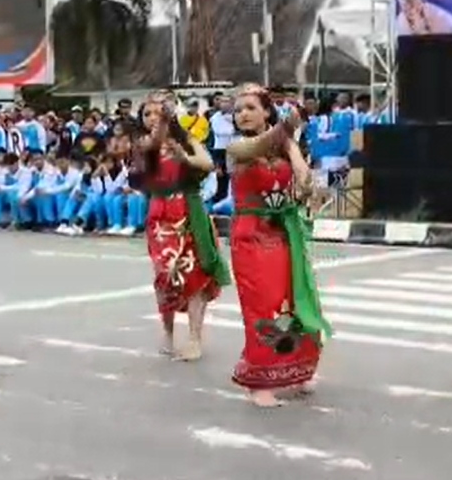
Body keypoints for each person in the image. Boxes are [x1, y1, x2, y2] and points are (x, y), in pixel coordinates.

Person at [224, 83, 331, 408]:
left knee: (295, 301)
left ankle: (298, 370)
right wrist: (285, 127)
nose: (242, 114)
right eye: (238, 110)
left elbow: (305, 185)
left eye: (250, 108)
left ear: (267, 111)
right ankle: (260, 383)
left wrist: (291, 145)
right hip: (251, 236)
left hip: (283, 234)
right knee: (262, 307)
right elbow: (258, 146)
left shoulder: (282, 145)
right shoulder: (237, 148)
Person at [140, 93, 230, 360]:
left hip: (189, 212)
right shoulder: (145, 144)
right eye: (147, 114)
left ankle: (194, 338)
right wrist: (165, 124)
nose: (152, 117)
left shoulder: (188, 140)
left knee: (195, 276)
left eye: (158, 112)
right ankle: (168, 333)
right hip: (161, 218)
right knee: (165, 277)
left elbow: (208, 164)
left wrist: (185, 158)